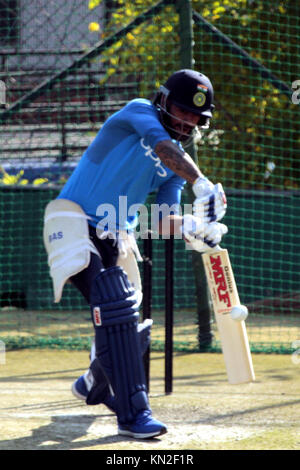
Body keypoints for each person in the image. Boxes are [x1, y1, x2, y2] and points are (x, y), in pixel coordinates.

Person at [43, 69, 228, 439]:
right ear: (163, 101)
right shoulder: (138, 112)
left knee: (124, 313)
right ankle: (133, 413)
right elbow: (163, 148)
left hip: (117, 235)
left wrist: (193, 226)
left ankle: (93, 380)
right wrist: (202, 184)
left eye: (196, 118)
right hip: (73, 219)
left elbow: (160, 220)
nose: (188, 121)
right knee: (115, 306)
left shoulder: (177, 168)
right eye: (183, 110)